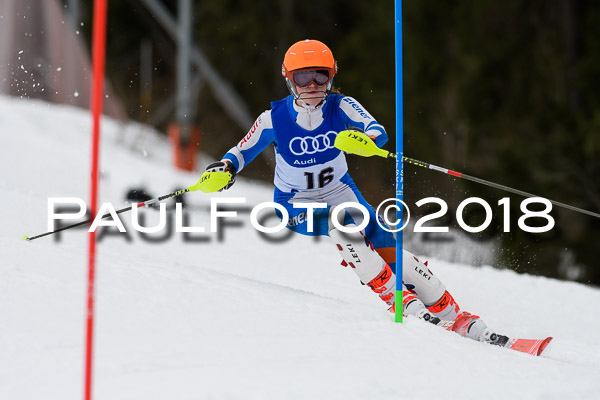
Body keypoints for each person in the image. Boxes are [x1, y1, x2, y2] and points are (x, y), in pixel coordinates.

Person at [200, 39, 504, 345]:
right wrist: (225, 168)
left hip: (341, 191)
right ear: (289, 78)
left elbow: (377, 131)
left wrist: (366, 141)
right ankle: (401, 302)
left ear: (332, 75)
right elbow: (241, 152)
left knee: (388, 247)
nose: (313, 84)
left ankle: (453, 315)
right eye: (304, 77)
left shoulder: (341, 105)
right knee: (341, 223)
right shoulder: (273, 119)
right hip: (294, 205)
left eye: (321, 75)